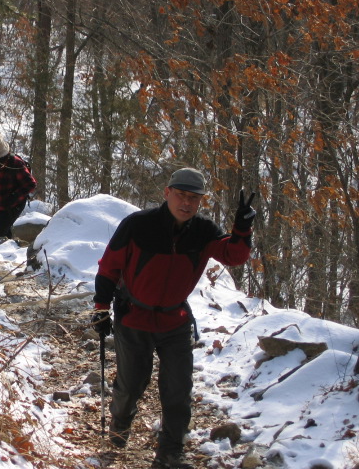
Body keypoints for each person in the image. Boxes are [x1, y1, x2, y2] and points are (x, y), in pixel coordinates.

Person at [91, 168, 256, 469]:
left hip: (175, 320)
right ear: (167, 193)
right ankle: (119, 431)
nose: (187, 202)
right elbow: (109, 266)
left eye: (194, 198)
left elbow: (233, 255)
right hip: (134, 317)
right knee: (131, 386)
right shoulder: (137, 226)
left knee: (178, 390)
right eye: (181, 195)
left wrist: (242, 229)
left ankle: (170, 452)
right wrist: (101, 307)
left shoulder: (204, 231)